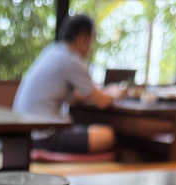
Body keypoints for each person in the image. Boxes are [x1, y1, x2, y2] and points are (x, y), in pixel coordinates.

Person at [12, 14, 124, 154]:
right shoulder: (72, 60)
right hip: (44, 136)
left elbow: (74, 96)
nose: (91, 47)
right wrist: (116, 93)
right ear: (83, 38)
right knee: (107, 135)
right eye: (91, 40)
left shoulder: (52, 51)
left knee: (88, 128)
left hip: (26, 134)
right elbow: (102, 102)